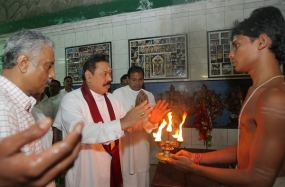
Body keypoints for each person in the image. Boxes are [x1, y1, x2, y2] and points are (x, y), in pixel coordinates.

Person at [167, 6, 285, 187]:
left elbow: (260, 180)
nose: (231, 54)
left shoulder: (274, 97)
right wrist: (196, 157)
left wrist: (193, 168)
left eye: (237, 45)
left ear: (261, 42)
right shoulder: (257, 90)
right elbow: (246, 149)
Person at [53, 54, 169, 187]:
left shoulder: (112, 100)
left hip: (111, 167)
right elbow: (80, 133)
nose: (110, 78)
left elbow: (131, 127)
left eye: (110, 74)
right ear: (88, 75)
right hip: (85, 171)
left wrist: (151, 121)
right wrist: (123, 122)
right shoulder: (72, 99)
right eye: (104, 74)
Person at [0, 29, 84, 186]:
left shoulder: (20, 104)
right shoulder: (3, 107)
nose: (53, 74)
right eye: (48, 66)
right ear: (23, 63)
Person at [112, 66, 157, 187]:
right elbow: (114, 119)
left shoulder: (149, 95)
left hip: (141, 142)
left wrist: (150, 122)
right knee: (124, 175)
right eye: (134, 80)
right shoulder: (118, 94)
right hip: (124, 143)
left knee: (142, 175)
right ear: (127, 79)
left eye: (140, 80)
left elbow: (153, 121)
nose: (137, 83)